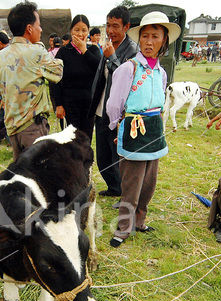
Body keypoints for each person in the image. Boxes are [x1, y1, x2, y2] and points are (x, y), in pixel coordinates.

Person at [106, 11, 180, 248]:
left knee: (149, 182)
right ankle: (124, 228)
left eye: (155, 37)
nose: (149, 42)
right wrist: (117, 127)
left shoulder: (161, 72)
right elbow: (114, 103)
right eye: (145, 36)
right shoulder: (128, 69)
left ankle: (140, 221)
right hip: (133, 129)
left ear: (164, 41)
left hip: (154, 130)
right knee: (131, 184)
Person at [0, 1, 63, 161]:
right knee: (39, 176)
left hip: (12, 128)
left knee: (23, 175)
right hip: (33, 128)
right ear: (29, 28)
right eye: (38, 25)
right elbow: (58, 73)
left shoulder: (1, 55)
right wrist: (40, 47)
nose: (41, 29)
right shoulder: (37, 52)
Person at [89, 5, 138, 198]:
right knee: (102, 155)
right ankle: (113, 187)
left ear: (126, 27)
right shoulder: (107, 45)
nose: (110, 30)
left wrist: (112, 57)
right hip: (102, 109)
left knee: (116, 154)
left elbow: (125, 78)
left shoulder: (133, 51)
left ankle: (122, 189)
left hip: (119, 113)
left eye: (116, 26)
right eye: (108, 25)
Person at [51, 15, 101, 138]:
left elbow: (99, 70)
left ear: (88, 32)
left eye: (84, 30)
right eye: (76, 30)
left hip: (88, 105)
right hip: (69, 105)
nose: (80, 33)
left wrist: (84, 50)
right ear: (71, 30)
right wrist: (58, 104)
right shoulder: (63, 52)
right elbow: (55, 80)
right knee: (71, 140)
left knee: (86, 139)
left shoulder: (93, 50)